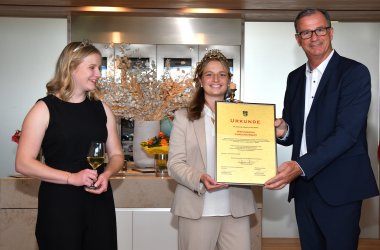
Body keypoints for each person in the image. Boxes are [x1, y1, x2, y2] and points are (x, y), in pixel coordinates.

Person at [264, 8, 379, 250]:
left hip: (341, 186)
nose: (314, 37)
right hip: (303, 187)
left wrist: (300, 165)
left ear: (331, 32)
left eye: (319, 29)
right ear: (298, 39)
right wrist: (283, 130)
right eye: (306, 32)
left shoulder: (354, 73)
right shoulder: (294, 78)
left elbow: (347, 133)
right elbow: (294, 130)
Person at [15, 41, 124, 250]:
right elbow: (23, 163)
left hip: (98, 202)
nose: (98, 74)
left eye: (99, 68)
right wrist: (71, 178)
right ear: (71, 68)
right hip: (59, 203)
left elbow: (117, 155)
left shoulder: (102, 109)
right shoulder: (43, 109)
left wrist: (107, 174)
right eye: (92, 67)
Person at [168, 49, 256, 250]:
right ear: (200, 80)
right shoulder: (183, 117)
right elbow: (174, 164)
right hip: (197, 208)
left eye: (222, 74)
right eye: (209, 74)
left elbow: (254, 154)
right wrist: (200, 177)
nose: (216, 79)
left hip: (236, 208)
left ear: (229, 80)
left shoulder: (245, 116)